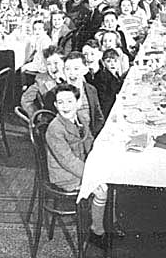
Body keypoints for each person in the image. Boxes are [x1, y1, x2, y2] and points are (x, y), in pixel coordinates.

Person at [45, 83, 108, 249]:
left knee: (109, 175)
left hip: (79, 165)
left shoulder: (80, 117)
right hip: (65, 174)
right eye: (60, 102)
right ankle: (97, 230)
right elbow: (68, 161)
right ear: (55, 105)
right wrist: (92, 173)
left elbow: (88, 141)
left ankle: (104, 219)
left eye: (69, 101)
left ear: (78, 103)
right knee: (102, 190)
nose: (65, 106)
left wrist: (97, 158)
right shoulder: (55, 129)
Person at [64, 51, 104, 137]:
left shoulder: (91, 90)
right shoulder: (54, 94)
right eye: (67, 69)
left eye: (76, 69)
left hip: (90, 136)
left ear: (85, 70)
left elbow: (98, 117)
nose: (71, 73)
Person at [21, 46, 65, 118]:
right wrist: (37, 117)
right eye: (49, 64)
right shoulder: (41, 80)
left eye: (56, 63)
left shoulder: (72, 76)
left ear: (63, 63)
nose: (53, 67)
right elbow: (26, 100)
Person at [92, 48, 124, 119]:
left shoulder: (113, 73)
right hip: (107, 111)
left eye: (115, 61)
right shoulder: (102, 77)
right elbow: (105, 100)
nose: (112, 64)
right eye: (108, 61)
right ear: (103, 63)